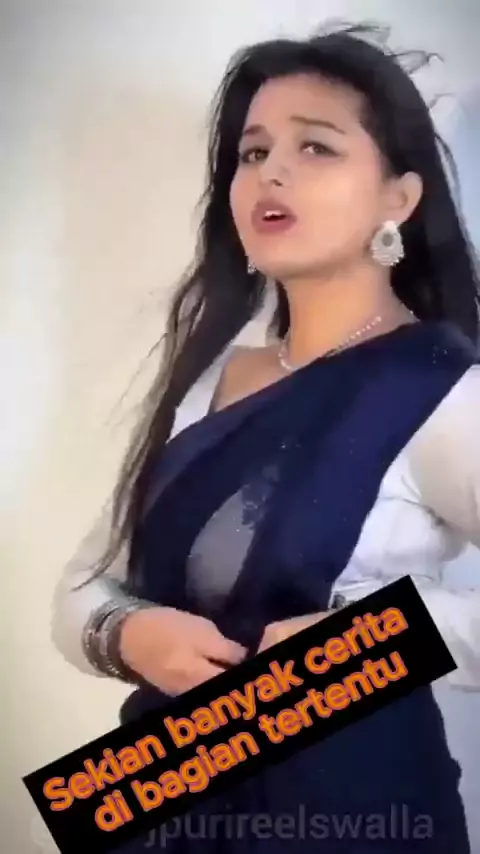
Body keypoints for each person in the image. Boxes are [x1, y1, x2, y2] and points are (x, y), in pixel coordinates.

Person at [52, 23, 480, 853]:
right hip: (159, 795)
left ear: (398, 199)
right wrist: (125, 634)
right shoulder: (210, 375)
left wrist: (379, 640)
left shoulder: (438, 388)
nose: (271, 172)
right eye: (253, 153)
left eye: (316, 147)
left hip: (351, 819)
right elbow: (86, 583)